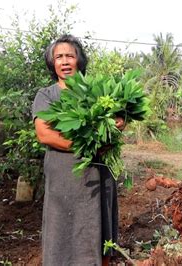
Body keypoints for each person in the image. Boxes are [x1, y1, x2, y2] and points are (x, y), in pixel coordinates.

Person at [32, 34, 124, 266]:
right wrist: (86, 146)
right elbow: (45, 134)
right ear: (52, 63)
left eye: (69, 56)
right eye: (59, 57)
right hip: (64, 178)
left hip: (96, 176)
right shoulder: (46, 96)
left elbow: (113, 123)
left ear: (79, 60)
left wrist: (119, 124)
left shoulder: (95, 91)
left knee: (98, 227)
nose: (64, 62)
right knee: (62, 228)